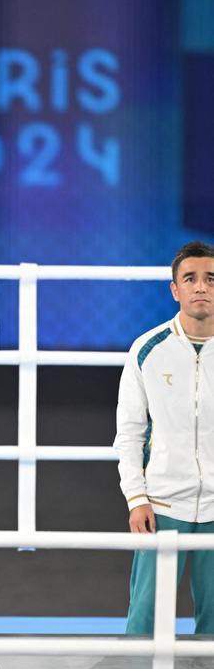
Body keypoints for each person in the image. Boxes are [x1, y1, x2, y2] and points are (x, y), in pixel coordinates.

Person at [114, 239, 214, 634]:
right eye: (190, 278)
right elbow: (129, 433)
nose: (201, 287)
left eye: (210, 278)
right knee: (144, 622)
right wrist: (136, 498)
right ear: (175, 289)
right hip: (162, 503)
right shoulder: (147, 350)